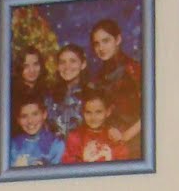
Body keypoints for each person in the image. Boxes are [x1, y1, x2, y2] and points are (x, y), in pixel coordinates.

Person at [87, 19, 143, 151]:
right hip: (108, 144)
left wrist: (125, 137)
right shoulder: (98, 77)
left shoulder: (134, 70)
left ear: (118, 40)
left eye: (106, 41)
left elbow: (151, 112)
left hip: (134, 141)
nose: (101, 48)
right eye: (96, 44)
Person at [61, 91, 130, 164]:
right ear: (83, 113)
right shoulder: (75, 137)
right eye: (88, 112)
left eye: (98, 112)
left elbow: (123, 163)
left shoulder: (114, 137)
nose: (93, 117)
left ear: (108, 112)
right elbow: (69, 165)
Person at [46, 43, 87, 137]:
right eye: (62, 62)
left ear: (83, 64)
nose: (67, 66)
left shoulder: (91, 94)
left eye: (73, 61)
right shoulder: (50, 96)